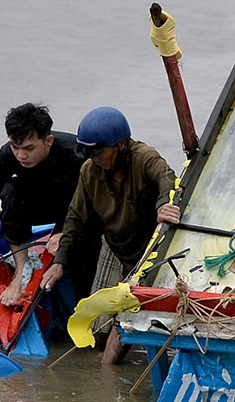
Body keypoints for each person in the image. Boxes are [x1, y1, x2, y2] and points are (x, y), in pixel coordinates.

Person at [40, 106, 180, 362]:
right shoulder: (89, 171)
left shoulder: (144, 158)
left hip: (149, 253)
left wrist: (163, 205)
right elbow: (75, 217)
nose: (95, 158)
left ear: (122, 144)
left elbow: (167, 178)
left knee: (124, 324)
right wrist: (59, 262)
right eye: (89, 153)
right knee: (96, 327)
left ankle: (112, 367)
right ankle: (100, 371)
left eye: (99, 151)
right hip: (114, 247)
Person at [0, 102, 91, 308]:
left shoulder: (75, 154)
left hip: (76, 206)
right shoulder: (8, 154)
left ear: (48, 141)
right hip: (38, 203)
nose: (21, 155)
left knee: (84, 261)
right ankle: (21, 271)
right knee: (10, 192)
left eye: (29, 148)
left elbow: (94, 200)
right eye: (16, 147)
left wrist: (64, 231)